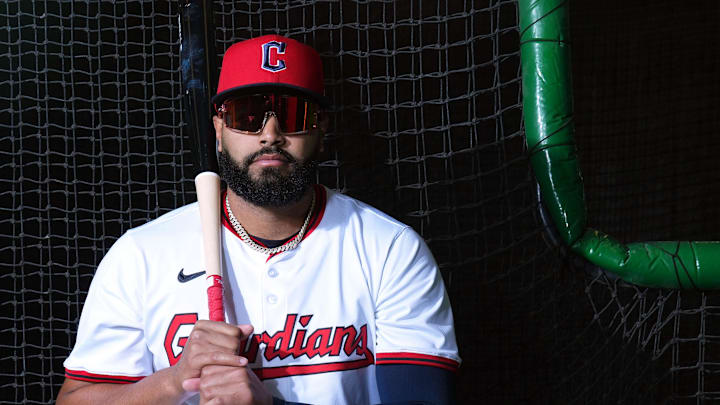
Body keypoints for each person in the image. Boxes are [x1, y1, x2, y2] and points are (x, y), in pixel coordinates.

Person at [57, 34, 460, 405]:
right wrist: (175, 379)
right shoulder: (142, 253)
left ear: (321, 129)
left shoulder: (388, 248)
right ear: (218, 127)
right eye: (247, 114)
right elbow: (74, 400)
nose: (270, 134)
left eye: (293, 112)